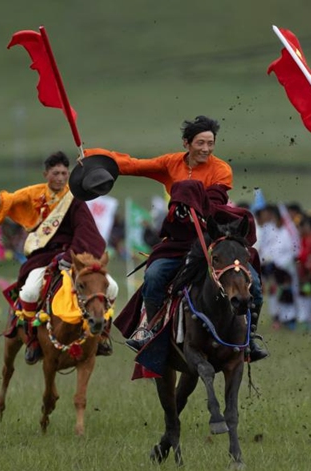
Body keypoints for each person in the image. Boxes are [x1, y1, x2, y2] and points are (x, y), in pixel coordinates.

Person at [73, 116, 268, 361]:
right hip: (178, 238)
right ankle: (150, 329)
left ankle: (250, 338)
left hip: (211, 237)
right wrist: (91, 155)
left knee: (256, 287)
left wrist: (189, 198)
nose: (206, 149)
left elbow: (214, 202)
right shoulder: (170, 163)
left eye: (210, 143)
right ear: (187, 143)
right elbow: (131, 165)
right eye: (200, 143)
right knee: (154, 275)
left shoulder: (221, 169)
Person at [0, 151, 119, 365]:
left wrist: (73, 255)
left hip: (74, 256)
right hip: (43, 258)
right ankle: (32, 339)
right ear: (46, 174)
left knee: (112, 287)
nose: (60, 177)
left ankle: (102, 335)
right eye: (55, 173)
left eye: (63, 173)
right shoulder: (34, 194)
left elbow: (85, 231)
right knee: (30, 290)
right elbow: (7, 201)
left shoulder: (75, 199)